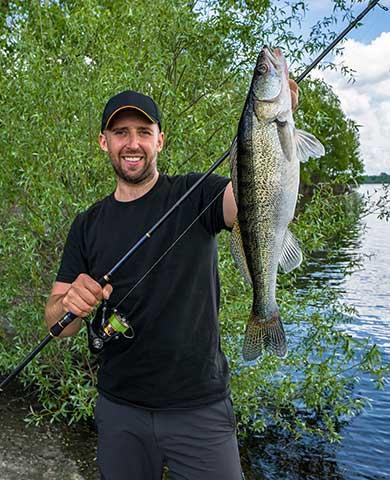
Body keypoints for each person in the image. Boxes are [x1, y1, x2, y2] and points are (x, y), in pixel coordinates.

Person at [45, 83, 298, 480]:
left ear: (160, 140)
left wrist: (268, 133)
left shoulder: (197, 194)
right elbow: (57, 324)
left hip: (200, 409)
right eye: (121, 133)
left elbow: (252, 201)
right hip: (120, 409)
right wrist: (69, 304)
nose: (133, 143)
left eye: (143, 132)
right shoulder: (87, 224)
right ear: (103, 142)